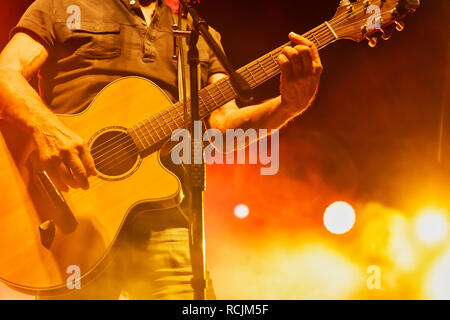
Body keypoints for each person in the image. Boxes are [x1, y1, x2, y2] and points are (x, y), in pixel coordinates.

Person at [0, 0, 322, 299]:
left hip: (167, 218)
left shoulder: (197, 34)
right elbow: (5, 73)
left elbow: (223, 129)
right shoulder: (63, 5)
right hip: (66, 213)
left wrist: (288, 106)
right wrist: (46, 127)